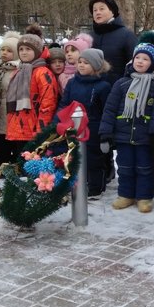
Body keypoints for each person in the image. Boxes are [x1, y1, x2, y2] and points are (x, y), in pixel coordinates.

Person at [100, 39, 154, 212]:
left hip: (145, 136)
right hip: (124, 134)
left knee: (145, 167)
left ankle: (144, 197)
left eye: (145, 59)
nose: (140, 61)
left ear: (152, 64)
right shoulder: (121, 84)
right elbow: (110, 108)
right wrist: (105, 131)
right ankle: (126, 195)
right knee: (125, 166)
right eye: (138, 58)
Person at [56, 48, 111, 199]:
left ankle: (96, 188)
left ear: (96, 66)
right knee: (74, 157)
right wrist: (58, 121)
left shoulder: (103, 86)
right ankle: (78, 184)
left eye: (86, 63)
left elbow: (106, 110)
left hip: (94, 127)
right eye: (80, 62)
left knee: (94, 159)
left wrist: (105, 131)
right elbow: (64, 104)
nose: (81, 65)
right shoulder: (72, 83)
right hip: (73, 126)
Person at [5, 33, 58, 157]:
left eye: (28, 49)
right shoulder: (19, 71)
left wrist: (41, 130)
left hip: (34, 129)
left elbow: (48, 103)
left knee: (33, 163)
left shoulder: (42, 73)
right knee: (21, 162)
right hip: (19, 128)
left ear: (37, 51)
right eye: (21, 49)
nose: (24, 52)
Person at [89, 0, 138, 85]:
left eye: (102, 9)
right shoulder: (88, 37)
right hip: (91, 89)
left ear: (112, 11)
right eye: (94, 10)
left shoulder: (127, 35)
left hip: (118, 88)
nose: (97, 12)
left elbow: (136, 65)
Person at [0, 31, 21, 170]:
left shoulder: (18, 70)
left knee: (14, 148)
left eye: (9, 51)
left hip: (12, 115)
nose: (4, 53)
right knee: (0, 148)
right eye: (2, 49)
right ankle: (0, 174)